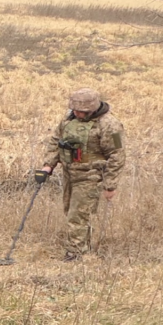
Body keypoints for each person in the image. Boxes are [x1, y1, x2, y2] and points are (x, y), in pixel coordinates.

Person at [37, 88, 125, 261]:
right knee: (71, 211)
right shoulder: (69, 119)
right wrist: (48, 165)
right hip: (69, 173)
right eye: (75, 109)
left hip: (91, 175)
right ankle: (83, 248)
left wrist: (110, 184)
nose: (77, 113)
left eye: (81, 111)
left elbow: (118, 154)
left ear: (92, 109)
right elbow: (56, 141)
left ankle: (75, 254)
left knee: (77, 215)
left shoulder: (112, 126)